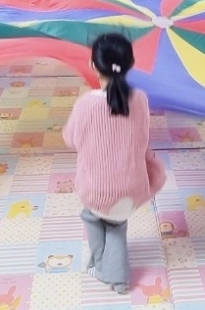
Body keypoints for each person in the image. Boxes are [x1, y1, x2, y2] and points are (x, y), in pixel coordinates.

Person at [62, 33, 166, 294]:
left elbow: (70, 139)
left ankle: (112, 274)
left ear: (93, 65)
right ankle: (107, 268)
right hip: (132, 189)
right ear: (131, 63)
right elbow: (142, 136)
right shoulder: (140, 98)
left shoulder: (86, 104)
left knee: (96, 216)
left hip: (97, 191)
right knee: (115, 219)